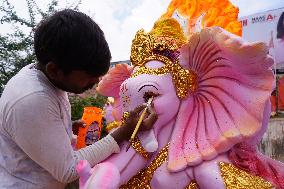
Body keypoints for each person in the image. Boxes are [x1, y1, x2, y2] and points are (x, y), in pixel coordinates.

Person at [0, 9, 157, 189]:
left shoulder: (47, 76)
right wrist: (124, 132)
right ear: (54, 70)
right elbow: (68, 170)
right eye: (90, 75)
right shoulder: (31, 99)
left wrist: (60, 129)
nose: (97, 81)